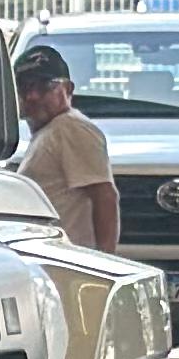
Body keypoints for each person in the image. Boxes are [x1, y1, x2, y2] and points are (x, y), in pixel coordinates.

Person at [15, 41, 121, 248]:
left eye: (45, 87)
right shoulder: (50, 131)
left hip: (67, 256)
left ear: (68, 88)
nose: (33, 96)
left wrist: (103, 259)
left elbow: (104, 197)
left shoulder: (71, 127)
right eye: (25, 87)